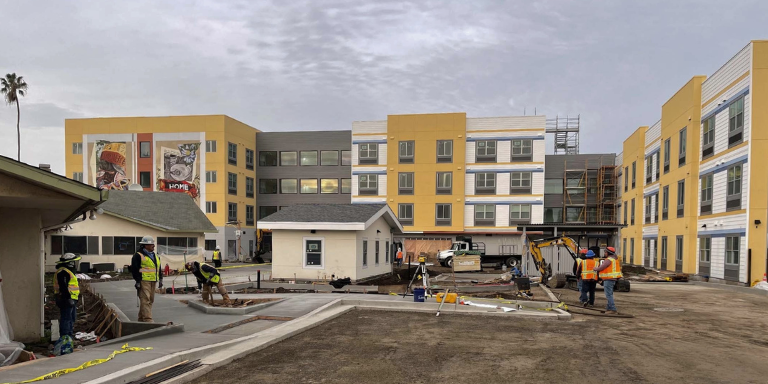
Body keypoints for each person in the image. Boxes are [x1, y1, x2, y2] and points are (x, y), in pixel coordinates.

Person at [131, 236, 163, 322]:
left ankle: (141, 318)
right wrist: (137, 281)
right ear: (145, 245)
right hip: (144, 280)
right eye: (151, 244)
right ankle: (148, 319)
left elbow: (158, 268)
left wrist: (160, 279)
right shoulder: (138, 255)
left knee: (151, 300)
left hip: (153, 280)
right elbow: (135, 269)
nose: (153, 246)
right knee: (145, 299)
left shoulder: (155, 256)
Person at [54, 253, 81, 339]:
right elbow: (63, 286)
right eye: (74, 262)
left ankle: (69, 337)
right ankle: (65, 338)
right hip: (66, 299)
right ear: (70, 263)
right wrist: (68, 298)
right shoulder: (63, 272)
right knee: (66, 319)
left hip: (70, 299)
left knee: (71, 318)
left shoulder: (66, 271)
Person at [594, 246, 623, 314]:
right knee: (610, 294)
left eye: (605, 252)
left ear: (608, 253)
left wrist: (595, 268)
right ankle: (609, 308)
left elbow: (601, 267)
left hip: (608, 279)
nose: (605, 253)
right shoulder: (615, 259)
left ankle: (612, 309)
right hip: (612, 279)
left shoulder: (608, 260)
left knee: (608, 295)